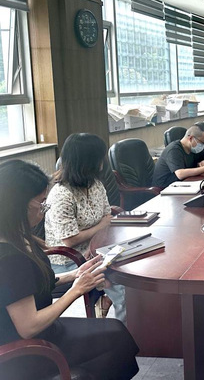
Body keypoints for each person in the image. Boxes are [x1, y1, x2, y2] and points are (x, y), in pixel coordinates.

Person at [0, 160, 139, 380]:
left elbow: (28, 286)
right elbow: (29, 327)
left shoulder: (16, 237)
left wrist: (74, 275)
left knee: (115, 332)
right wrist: (76, 290)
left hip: (42, 332)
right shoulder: (10, 258)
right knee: (115, 341)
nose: (44, 210)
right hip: (28, 350)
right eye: (41, 203)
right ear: (19, 205)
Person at [45, 133, 126, 322]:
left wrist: (99, 237)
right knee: (123, 286)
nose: (103, 163)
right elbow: (69, 240)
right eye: (99, 158)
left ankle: (108, 303)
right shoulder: (61, 194)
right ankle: (128, 332)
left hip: (97, 249)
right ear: (87, 162)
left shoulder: (95, 184)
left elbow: (107, 215)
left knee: (134, 264)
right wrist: (101, 226)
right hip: (70, 259)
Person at [152, 125, 204, 189]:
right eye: (202, 142)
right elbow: (180, 174)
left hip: (184, 184)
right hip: (164, 188)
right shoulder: (174, 149)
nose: (203, 145)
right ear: (191, 138)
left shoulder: (193, 149)